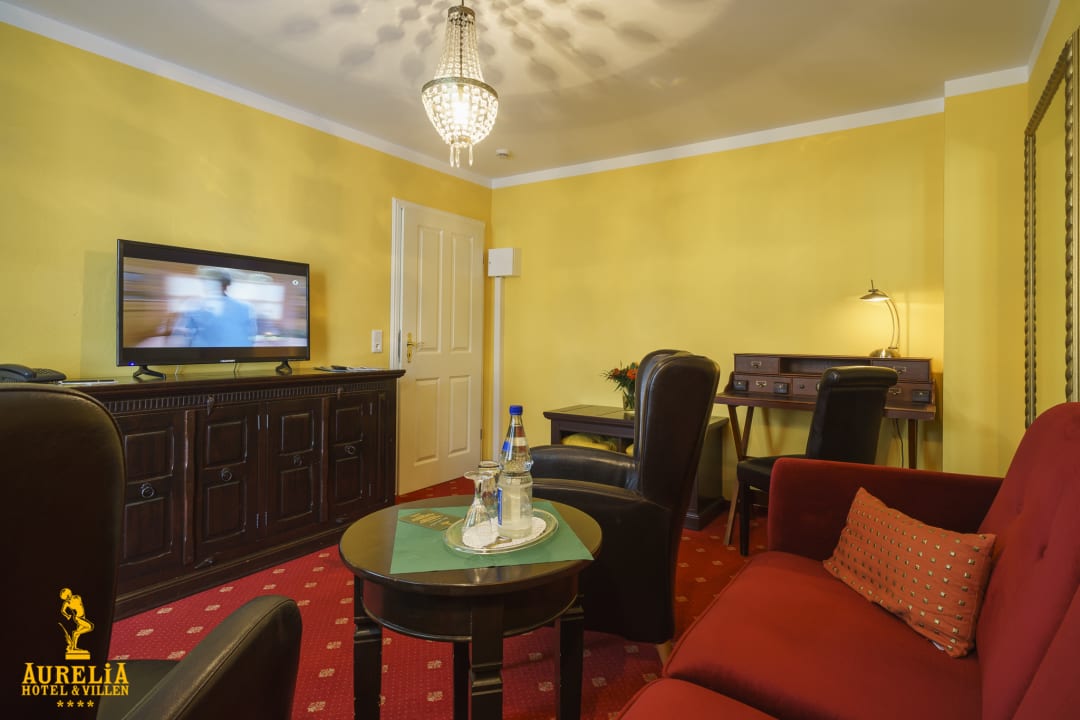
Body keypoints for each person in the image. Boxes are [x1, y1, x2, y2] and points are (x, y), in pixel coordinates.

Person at [171, 271, 257, 347]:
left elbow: (181, 338)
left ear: (225, 285)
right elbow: (181, 337)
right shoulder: (194, 306)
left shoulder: (244, 308)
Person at [59, 587, 93, 655]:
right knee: (90, 626)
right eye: (65, 598)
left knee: (78, 634)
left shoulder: (77, 597)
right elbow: (62, 610)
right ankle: (75, 633)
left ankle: (73, 647)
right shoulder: (67, 603)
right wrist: (67, 615)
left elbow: (79, 604)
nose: (67, 599)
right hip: (78, 618)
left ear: (69, 593)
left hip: (83, 617)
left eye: (67, 596)